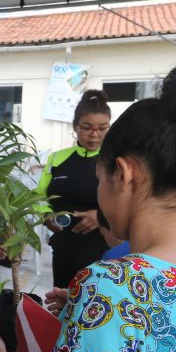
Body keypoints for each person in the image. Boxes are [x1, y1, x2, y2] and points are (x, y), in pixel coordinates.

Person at [0, 66, 176, 352]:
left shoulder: (113, 287)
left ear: (124, 174)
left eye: (99, 180)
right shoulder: (115, 292)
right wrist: (80, 314)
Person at [37, 90, 111, 288]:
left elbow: (130, 201)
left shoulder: (114, 160)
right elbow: (38, 196)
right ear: (75, 127)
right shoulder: (57, 159)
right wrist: (46, 215)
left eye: (102, 128)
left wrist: (100, 216)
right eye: (87, 128)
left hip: (102, 251)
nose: (94, 135)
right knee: (62, 307)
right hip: (64, 249)